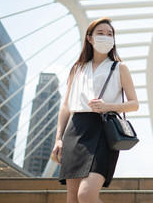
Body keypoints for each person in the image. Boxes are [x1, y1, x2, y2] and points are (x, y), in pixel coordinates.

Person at [51, 17, 139, 203]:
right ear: (89, 38)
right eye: (100, 33)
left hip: (103, 131)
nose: (106, 37)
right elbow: (66, 106)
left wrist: (108, 107)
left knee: (86, 195)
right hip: (76, 131)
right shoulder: (77, 69)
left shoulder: (119, 68)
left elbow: (134, 104)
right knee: (72, 197)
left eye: (110, 34)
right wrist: (59, 138)